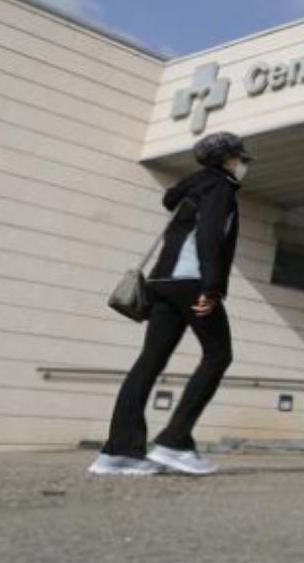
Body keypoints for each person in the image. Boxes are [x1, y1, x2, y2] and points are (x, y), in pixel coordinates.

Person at [89, 132, 251, 476]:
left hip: (161, 282)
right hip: (191, 282)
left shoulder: (187, 189)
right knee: (219, 354)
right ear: (226, 159)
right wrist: (212, 287)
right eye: (240, 158)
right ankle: (174, 441)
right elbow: (210, 236)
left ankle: (119, 452)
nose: (242, 165)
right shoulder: (219, 187)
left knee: (149, 361)